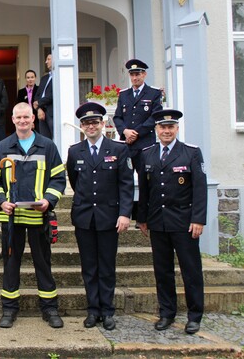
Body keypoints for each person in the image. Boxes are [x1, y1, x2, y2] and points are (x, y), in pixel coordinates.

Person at [0, 102, 66, 329]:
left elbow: (58, 179)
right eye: (18, 117)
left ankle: (50, 309)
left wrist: (48, 200)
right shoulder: (2, 147)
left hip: (39, 218)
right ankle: (9, 309)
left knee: (43, 264)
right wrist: (1, 202)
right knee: (11, 265)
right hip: (11, 220)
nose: (22, 121)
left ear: (33, 119)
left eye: (26, 117)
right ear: (12, 119)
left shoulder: (47, 146)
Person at [137, 109, 207, 335]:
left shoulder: (190, 153)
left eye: (170, 127)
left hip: (184, 223)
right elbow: (145, 190)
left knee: (191, 270)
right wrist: (142, 218)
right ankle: (167, 312)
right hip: (158, 222)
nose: (166, 131)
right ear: (156, 130)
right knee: (163, 271)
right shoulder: (147, 154)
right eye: (162, 127)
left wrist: (198, 219)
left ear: (176, 129)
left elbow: (200, 189)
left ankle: (195, 315)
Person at [66, 102, 134, 331]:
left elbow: (126, 184)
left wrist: (125, 214)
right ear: (82, 126)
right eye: (86, 123)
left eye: (95, 122)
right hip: (84, 217)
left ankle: (107, 311)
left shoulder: (119, 149)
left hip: (109, 217)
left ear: (104, 124)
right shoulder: (75, 151)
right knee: (88, 266)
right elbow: (76, 182)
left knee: (106, 266)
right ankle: (92, 310)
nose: (91, 126)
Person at [113, 59, 163, 174]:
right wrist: (125, 131)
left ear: (144, 74)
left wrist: (135, 133)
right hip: (127, 145)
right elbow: (117, 117)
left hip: (145, 145)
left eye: (138, 74)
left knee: (145, 179)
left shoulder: (154, 93)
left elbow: (155, 117)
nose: (135, 78)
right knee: (125, 179)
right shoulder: (124, 94)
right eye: (132, 74)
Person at [33, 54, 54, 139]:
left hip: (52, 112)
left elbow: (54, 95)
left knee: (55, 137)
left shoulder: (59, 77)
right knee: (44, 139)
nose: (46, 62)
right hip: (42, 112)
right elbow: (37, 95)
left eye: (48, 59)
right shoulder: (44, 78)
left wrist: (39, 103)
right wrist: (39, 109)